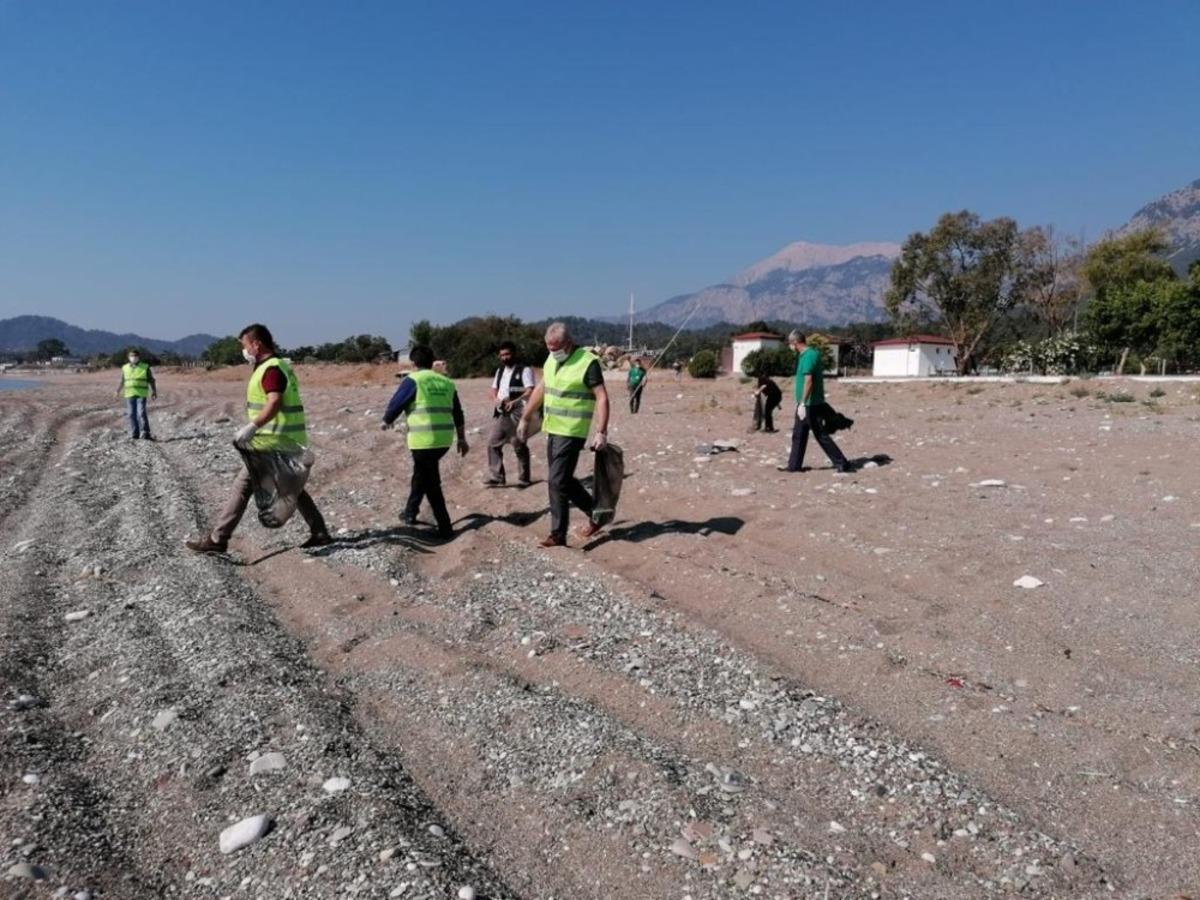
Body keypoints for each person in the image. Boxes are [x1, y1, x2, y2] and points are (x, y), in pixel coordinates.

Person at [186, 324, 333, 553]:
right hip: (284, 440)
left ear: (256, 344)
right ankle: (320, 531)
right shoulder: (277, 365)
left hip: (273, 442)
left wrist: (252, 426)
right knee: (291, 488)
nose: (243, 351)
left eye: (245, 345)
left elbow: (274, 402)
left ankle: (218, 539)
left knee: (243, 487)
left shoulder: (271, 369)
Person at [517, 323, 609, 547]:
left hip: (572, 431)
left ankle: (558, 535)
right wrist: (525, 417)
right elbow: (541, 389)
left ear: (568, 343)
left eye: (556, 347)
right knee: (563, 480)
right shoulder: (552, 360)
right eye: (548, 347)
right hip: (553, 428)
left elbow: (602, 397)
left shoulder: (588, 363)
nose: (552, 351)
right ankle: (598, 514)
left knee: (556, 480)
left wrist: (601, 432)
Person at [382, 345, 469, 538]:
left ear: (413, 363)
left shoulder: (413, 380)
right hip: (444, 441)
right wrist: (462, 438)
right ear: (432, 361)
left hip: (423, 441)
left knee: (431, 483)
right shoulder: (446, 382)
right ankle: (410, 513)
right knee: (421, 474)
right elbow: (458, 412)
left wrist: (387, 420)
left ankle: (445, 527)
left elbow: (397, 403)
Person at [781, 331, 851, 474]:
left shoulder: (808, 356)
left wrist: (802, 403)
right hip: (808, 403)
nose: (790, 347)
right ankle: (794, 466)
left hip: (810, 404)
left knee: (820, 435)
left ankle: (842, 462)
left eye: (790, 344)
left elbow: (809, 381)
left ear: (795, 342)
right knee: (799, 434)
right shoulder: (808, 355)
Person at [484, 341, 535, 487]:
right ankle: (497, 477)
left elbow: (530, 390)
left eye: (507, 354)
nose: (505, 358)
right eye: (502, 355)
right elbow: (494, 389)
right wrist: (496, 400)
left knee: (518, 444)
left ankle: (524, 478)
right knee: (493, 442)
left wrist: (515, 401)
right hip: (502, 413)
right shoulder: (500, 371)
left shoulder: (524, 370)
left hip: (518, 412)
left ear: (514, 354)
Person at [117, 349, 157, 440]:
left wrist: (154, 391)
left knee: (141, 413)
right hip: (129, 394)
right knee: (131, 414)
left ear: (138, 357)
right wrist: (117, 390)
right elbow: (123, 380)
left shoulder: (145, 367)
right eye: (131, 356)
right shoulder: (125, 368)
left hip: (141, 394)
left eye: (135, 356)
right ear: (128, 357)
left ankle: (146, 432)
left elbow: (151, 380)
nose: (133, 357)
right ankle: (135, 433)